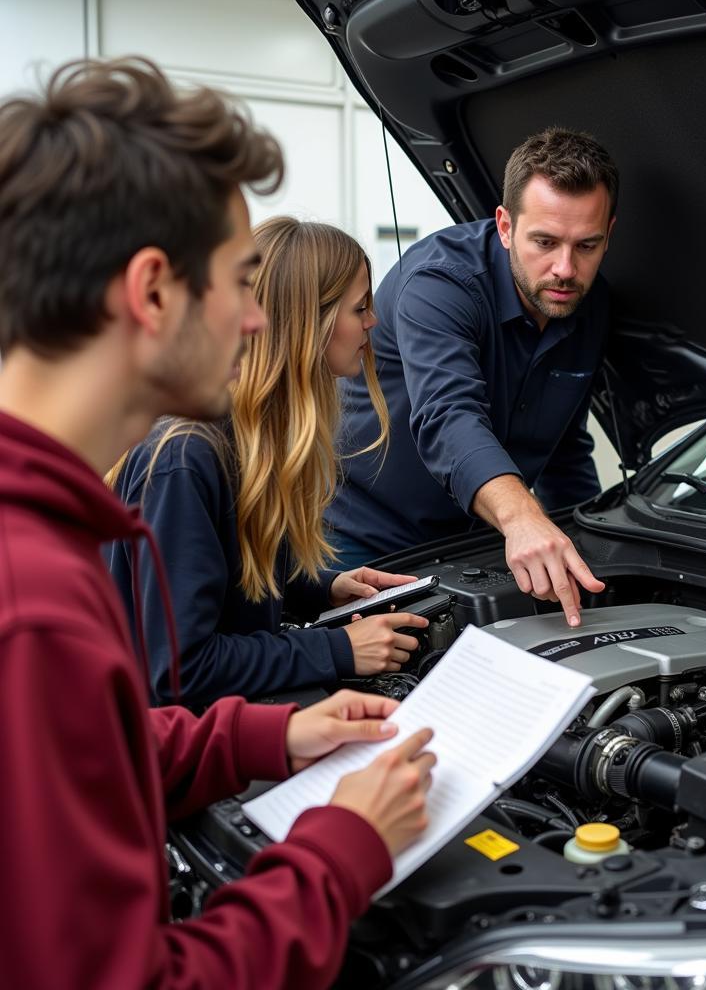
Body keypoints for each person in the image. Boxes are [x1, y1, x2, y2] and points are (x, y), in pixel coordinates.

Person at [0, 57, 436, 988]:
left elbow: (100, 740)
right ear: (154, 291)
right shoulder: (31, 606)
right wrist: (341, 850)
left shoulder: (43, 538)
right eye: (241, 282)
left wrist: (263, 737)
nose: (254, 321)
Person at [107, 216, 429, 707]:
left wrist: (321, 589)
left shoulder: (254, 440)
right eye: (360, 308)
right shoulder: (186, 458)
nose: (373, 322)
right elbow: (178, 671)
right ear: (308, 323)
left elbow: (226, 584)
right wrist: (337, 648)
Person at [327, 127, 617, 627]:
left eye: (586, 245)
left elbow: (564, 446)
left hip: (475, 542)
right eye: (544, 242)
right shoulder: (440, 285)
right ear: (505, 226)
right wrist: (523, 518)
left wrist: (589, 541)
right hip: (365, 544)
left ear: (609, 233)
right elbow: (448, 415)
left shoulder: (590, 306)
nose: (565, 269)